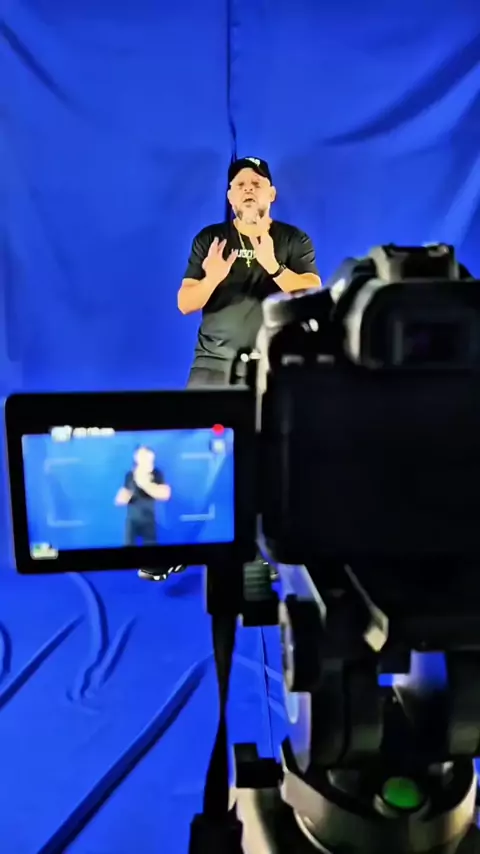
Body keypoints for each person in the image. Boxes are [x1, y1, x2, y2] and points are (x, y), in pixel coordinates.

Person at [138, 156, 321, 581]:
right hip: (213, 363)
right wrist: (213, 276)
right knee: (192, 458)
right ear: (230, 197)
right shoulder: (211, 240)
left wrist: (273, 265)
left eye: (257, 182)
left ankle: (256, 552)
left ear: (271, 193)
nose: (248, 188)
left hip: (273, 369)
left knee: (265, 461)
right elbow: (186, 303)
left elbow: (312, 294)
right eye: (240, 183)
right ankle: (178, 547)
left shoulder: (292, 240)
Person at [115, 445, 171, 546]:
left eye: (150, 459)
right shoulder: (130, 475)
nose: (148, 462)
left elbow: (165, 494)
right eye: (144, 458)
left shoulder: (157, 474)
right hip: (132, 520)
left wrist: (145, 484)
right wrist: (129, 490)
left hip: (149, 520)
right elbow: (120, 500)